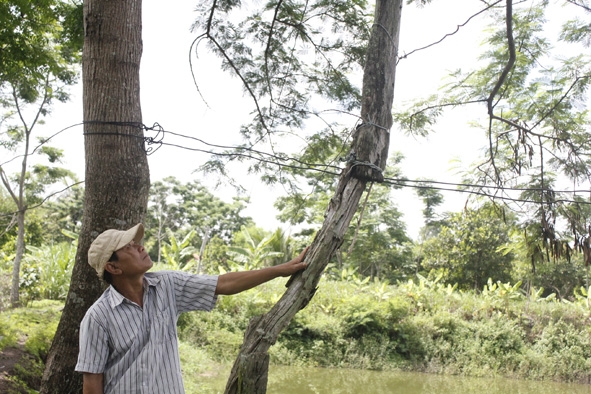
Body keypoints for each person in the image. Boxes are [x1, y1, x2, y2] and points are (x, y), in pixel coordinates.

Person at [75, 223, 307, 394]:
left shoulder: (167, 285)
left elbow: (223, 283)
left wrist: (280, 270)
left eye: (136, 242)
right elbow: (92, 384)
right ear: (113, 267)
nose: (140, 247)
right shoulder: (98, 317)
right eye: (128, 247)